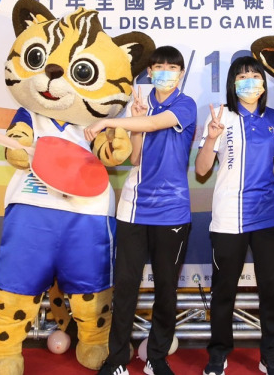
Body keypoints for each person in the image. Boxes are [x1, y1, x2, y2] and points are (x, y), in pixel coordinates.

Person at [85, 45, 197, 375]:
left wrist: (110, 121)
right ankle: (117, 358)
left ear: (181, 74)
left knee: (166, 289)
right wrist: (132, 126)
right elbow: (135, 158)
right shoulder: (140, 109)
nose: (165, 73)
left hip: (172, 212)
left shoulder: (185, 104)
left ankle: (156, 358)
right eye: (158, 67)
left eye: (172, 68)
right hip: (133, 209)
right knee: (125, 287)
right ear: (149, 72)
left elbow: (154, 124)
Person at [194, 55, 274, 375]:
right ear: (232, 83)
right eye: (241, 77)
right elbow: (201, 170)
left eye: (255, 75)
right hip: (228, 218)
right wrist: (212, 138)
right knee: (223, 290)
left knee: (272, 291)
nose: (249, 81)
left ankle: (270, 357)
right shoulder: (220, 116)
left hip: (268, 217)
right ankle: (218, 354)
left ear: (264, 84)